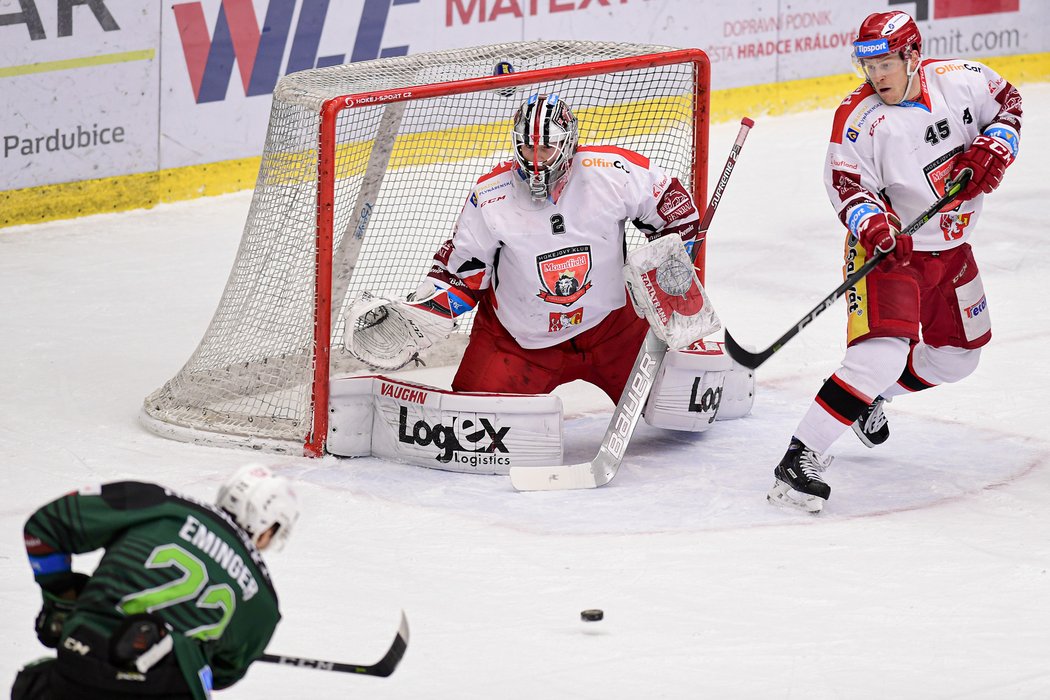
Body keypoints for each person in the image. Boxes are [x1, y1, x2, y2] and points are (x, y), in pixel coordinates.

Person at [768, 11, 1023, 513]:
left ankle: (870, 401)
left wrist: (997, 145)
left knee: (958, 357)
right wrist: (877, 226)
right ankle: (800, 457)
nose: (875, 76)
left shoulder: (962, 80)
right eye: (868, 65)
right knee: (880, 353)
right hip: (890, 253)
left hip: (951, 249)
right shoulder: (859, 120)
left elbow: (1009, 103)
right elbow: (847, 186)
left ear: (912, 56)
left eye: (885, 63)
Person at [413, 92, 703, 402]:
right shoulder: (490, 195)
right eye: (527, 147)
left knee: (680, 402)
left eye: (546, 148)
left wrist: (666, 274)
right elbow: (462, 272)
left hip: (614, 330)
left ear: (567, 144)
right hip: (519, 343)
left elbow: (675, 213)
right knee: (475, 423)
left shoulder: (614, 172)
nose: (535, 159)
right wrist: (424, 312)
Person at [11, 464, 299, 700]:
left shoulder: (158, 503)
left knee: (32, 685)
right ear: (268, 527)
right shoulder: (264, 604)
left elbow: (44, 529)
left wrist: (62, 598)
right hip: (171, 686)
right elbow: (222, 675)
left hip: (83, 661)